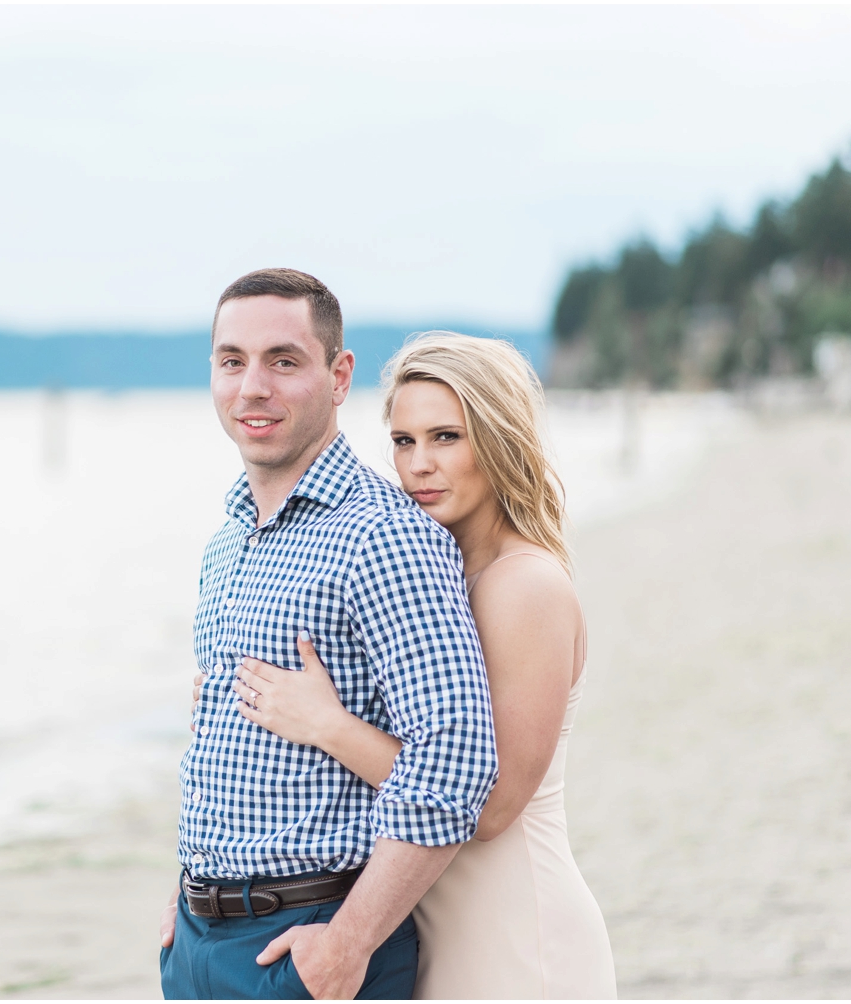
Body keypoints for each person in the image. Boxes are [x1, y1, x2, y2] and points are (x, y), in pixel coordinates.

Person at [225, 332, 618, 998]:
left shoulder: (525, 586)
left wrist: (329, 725)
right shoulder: (434, 577)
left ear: (498, 441)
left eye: (446, 437)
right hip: (427, 928)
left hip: (515, 935)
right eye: (404, 442)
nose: (419, 467)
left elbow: (489, 807)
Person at [158, 270, 497, 1000]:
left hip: (310, 940)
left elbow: (456, 757)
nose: (252, 386)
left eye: (283, 361)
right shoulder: (228, 541)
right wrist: (186, 897)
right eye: (231, 361)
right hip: (196, 942)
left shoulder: (385, 535)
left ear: (339, 376)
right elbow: (223, 733)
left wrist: (351, 941)